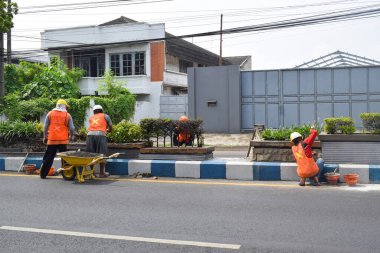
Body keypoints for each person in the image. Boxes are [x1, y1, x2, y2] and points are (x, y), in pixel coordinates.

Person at [40, 99, 75, 179]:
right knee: (64, 158)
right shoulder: (67, 115)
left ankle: (43, 174)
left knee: (49, 157)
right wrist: (71, 136)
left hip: (52, 140)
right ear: (64, 106)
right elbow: (72, 128)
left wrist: (44, 136)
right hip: (63, 140)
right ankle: (66, 174)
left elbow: (45, 127)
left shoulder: (50, 113)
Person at [86, 105, 112, 178]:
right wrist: (109, 130)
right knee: (102, 154)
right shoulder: (105, 116)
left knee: (91, 154)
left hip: (90, 135)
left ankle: (92, 173)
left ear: (94, 112)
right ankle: (101, 173)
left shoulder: (91, 118)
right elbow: (110, 126)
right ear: (101, 110)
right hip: (101, 135)